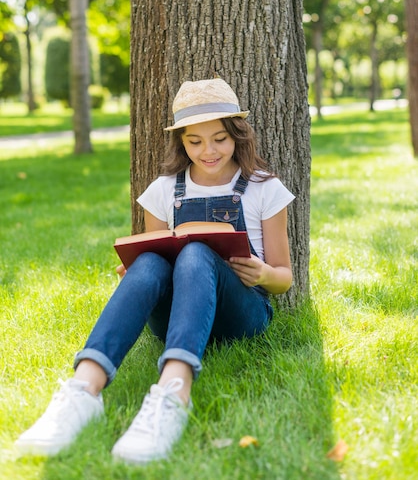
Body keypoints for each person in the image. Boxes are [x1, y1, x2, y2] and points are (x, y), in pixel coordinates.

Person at [15, 77, 294, 465]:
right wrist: (137, 276)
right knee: (148, 262)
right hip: (176, 314)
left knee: (196, 251)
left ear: (237, 135)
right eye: (195, 142)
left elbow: (284, 278)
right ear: (181, 142)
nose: (208, 151)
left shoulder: (264, 188)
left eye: (219, 139)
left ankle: (173, 393)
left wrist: (262, 273)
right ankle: (83, 390)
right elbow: (157, 259)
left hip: (242, 313)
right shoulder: (164, 190)